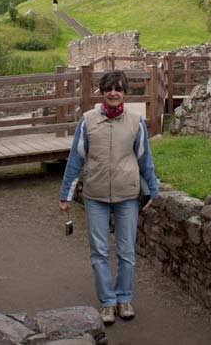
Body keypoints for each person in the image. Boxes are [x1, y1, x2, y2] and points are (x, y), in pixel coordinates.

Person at [58, 70, 159, 325]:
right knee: (99, 252)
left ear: (125, 92)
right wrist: (66, 195)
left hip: (127, 195)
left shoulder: (136, 122)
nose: (113, 93)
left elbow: (145, 159)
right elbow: (75, 160)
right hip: (96, 195)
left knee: (126, 251)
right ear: (102, 92)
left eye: (118, 89)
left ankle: (124, 297)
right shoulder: (88, 120)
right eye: (109, 89)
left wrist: (154, 189)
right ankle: (107, 302)